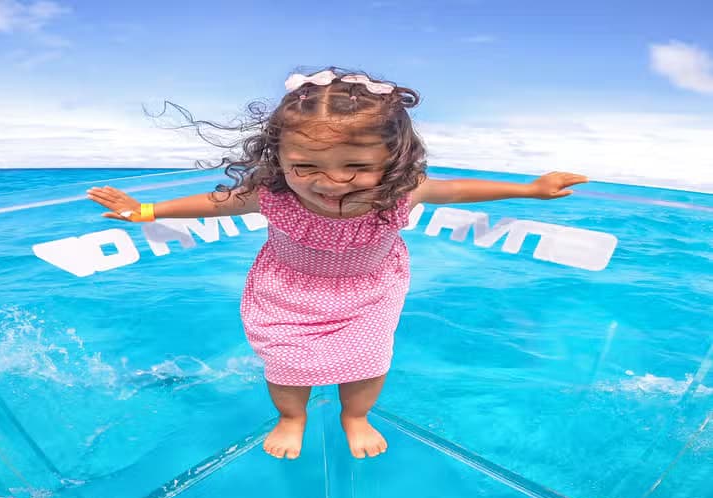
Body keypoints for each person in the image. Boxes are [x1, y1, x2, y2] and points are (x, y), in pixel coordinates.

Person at [86, 67, 587, 460]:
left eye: (357, 166)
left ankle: (356, 416)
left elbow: (455, 190)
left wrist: (529, 189)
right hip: (287, 292)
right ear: (277, 157)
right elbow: (215, 202)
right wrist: (145, 210)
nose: (332, 181)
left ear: (393, 160)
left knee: (369, 364)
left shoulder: (399, 194)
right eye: (306, 166)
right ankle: (290, 418)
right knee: (286, 366)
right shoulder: (272, 194)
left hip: (370, 293)